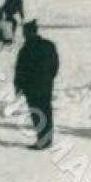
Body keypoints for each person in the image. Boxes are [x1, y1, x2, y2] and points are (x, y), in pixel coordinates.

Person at [13, 20, 59, 150]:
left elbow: (20, 69)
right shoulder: (49, 45)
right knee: (47, 112)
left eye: (24, 32)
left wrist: (18, 86)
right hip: (46, 86)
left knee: (37, 114)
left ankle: (42, 140)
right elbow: (55, 64)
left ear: (27, 33)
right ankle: (48, 139)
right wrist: (50, 78)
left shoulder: (26, 49)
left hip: (31, 88)